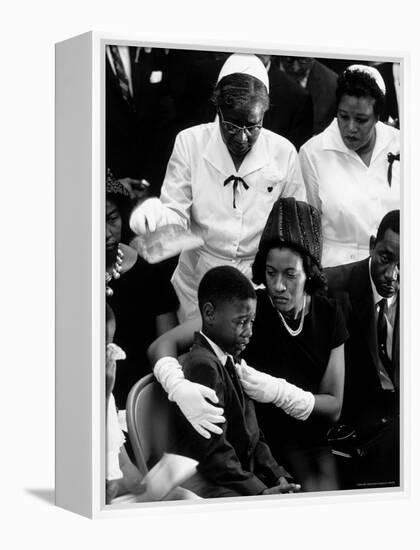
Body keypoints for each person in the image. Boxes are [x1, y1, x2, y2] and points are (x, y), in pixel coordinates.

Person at [151, 198, 347, 491]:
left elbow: (333, 406)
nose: (278, 285)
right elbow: (163, 344)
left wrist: (281, 392)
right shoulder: (248, 309)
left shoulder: (329, 314)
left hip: (312, 448)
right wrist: (177, 385)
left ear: (310, 272)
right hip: (255, 453)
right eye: (270, 272)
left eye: (290, 274)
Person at [130, 53, 306, 321]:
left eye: (253, 126)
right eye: (232, 125)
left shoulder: (284, 152)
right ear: (218, 109)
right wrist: (154, 217)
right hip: (197, 284)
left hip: (256, 285)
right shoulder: (190, 143)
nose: (242, 136)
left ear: (265, 114)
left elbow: (294, 228)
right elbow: (175, 215)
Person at [167, 265, 299, 498]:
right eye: (240, 322)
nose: (249, 331)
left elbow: (253, 432)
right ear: (209, 314)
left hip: (237, 478)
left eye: (251, 321)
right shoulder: (202, 367)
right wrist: (261, 492)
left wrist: (276, 474)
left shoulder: (230, 357)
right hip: (213, 485)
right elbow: (215, 455)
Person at [325, 210, 400, 487]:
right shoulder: (331, 288)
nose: (393, 275)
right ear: (371, 246)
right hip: (350, 433)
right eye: (386, 258)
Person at [299, 65, 400, 267]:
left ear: (378, 117)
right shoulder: (312, 153)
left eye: (361, 120)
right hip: (336, 273)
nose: (350, 128)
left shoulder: (402, 145)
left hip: (393, 271)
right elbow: (309, 230)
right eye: (343, 117)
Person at [105, 172, 179, 409]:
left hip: (139, 400)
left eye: (112, 218)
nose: (106, 232)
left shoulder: (148, 272)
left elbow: (168, 344)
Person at [279, 56, 337, 135]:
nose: (295, 68)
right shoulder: (264, 70)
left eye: (302, 61)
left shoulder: (332, 85)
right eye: (289, 60)